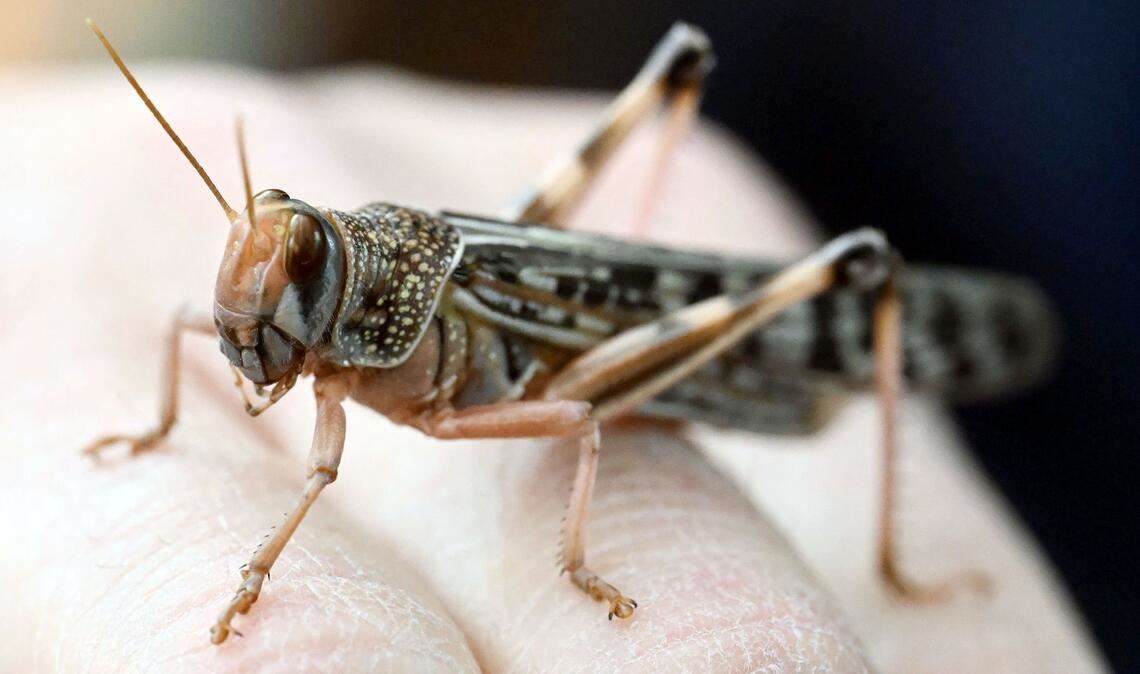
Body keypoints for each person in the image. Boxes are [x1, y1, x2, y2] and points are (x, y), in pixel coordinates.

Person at [0, 66, 1105, 672]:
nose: (252, 329)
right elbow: (196, 327)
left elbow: (573, 421)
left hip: (688, 353)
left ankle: (900, 565)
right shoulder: (332, 327)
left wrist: (577, 567)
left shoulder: (399, 311)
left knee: (799, 294)